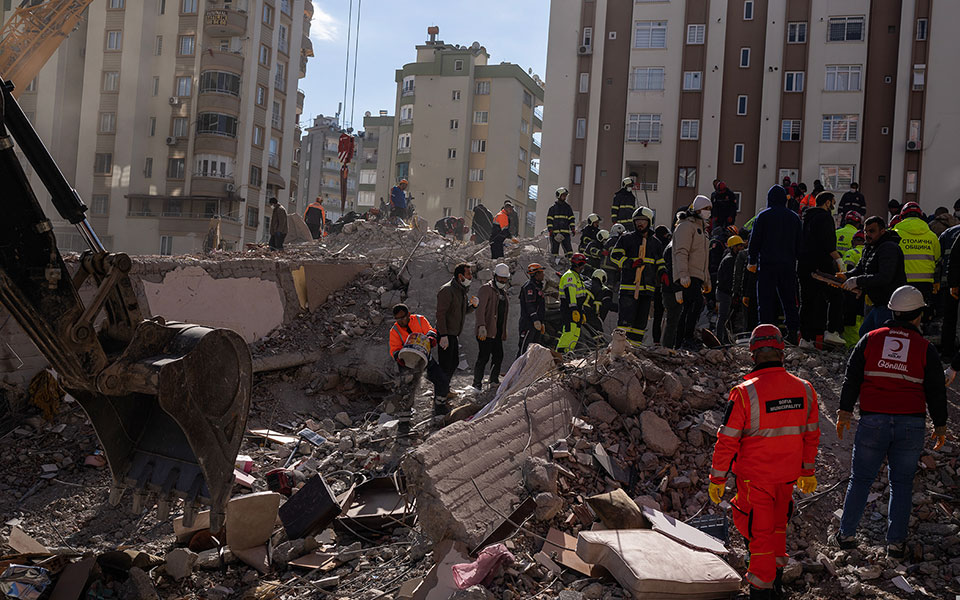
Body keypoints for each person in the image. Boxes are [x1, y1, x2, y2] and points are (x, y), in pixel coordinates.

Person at [834, 286, 947, 558]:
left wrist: (844, 411)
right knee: (902, 483)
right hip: (911, 425)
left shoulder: (871, 339)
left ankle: (846, 535)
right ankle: (895, 544)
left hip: (873, 421)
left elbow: (852, 378)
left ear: (892, 310)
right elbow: (936, 390)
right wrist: (941, 424)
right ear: (919, 315)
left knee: (860, 479)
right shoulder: (924, 348)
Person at [709, 324, 820, 598]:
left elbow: (727, 441)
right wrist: (807, 471)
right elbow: (811, 436)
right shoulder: (805, 390)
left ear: (753, 355)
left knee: (758, 534)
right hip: (787, 477)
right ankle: (776, 582)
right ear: (783, 354)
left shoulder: (744, 392)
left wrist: (717, 478)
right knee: (777, 528)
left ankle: (761, 590)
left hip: (755, 479)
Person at [748, 185, 802, 344]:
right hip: (788, 266)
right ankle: (792, 334)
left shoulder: (763, 216)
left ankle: (765, 335)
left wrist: (752, 260)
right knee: (789, 301)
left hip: (767, 265)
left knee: (765, 300)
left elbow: (754, 241)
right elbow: (800, 245)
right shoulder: (794, 218)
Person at [842, 216, 906, 335]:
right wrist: (845, 276)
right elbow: (860, 269)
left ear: (882, 231)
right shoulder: (869, 247)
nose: (867, 235)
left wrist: (857, 281)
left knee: (879, 336)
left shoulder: (889, 248)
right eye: (866, 231)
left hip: (889, 303)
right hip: (877, 302)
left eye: (872, 231)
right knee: (865, 333)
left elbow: (884, 277)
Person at [612, 206, 665, 347]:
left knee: (639, 326)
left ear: (649, 221)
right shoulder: (626, 239)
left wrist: (663, 273)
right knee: (624, 323)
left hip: (647, 290)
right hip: (629, 288)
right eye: (637, 221)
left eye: (643, 220)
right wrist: (630, 263)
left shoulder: (656, 243)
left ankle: (634, 353)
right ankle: (618, 352)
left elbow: (660, 262)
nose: (639, 223)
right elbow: (615, 256)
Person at [798, 192, 846, 348]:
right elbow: (828, 244)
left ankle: (806, 339)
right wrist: (839, 261)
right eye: (833, 202)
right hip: (821, 266)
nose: (833, 205)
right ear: (827, 203)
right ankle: (832, 331)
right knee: (836, 295)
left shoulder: (806, 218)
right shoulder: (825, 218)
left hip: (804, 265)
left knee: (807, 302)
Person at [389, 304, 451, 403]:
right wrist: (398, 358)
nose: (400, 321)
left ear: (408, 314)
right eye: (397, 319)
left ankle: (440, 402)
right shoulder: (395, 331)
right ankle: (406, 410)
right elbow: (394, 348)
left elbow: (430, 330)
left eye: (403, 317)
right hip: (408, 362)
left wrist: (431, 338)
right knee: (408, 388)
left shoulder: (419, 320)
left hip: (425, 356)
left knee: (441, 380)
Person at [673, 196, 712, 349]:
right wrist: (683, 274)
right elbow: (681, 251)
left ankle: (681, 341)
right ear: (697, 209)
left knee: (690, 307)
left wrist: (706, 279)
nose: (708, 212)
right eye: (705, 209)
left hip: (697, 275)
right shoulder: (686, 227)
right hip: (688, 274)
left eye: (709, 209)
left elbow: (704, 259)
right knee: (695, 303)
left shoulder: (702, 230)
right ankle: (686, 338)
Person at [893, 202, 940, 312]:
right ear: (920, 216)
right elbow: (937, 258)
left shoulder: (894, 234)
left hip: (902, 282)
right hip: (926, 284)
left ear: (902, 216)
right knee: (921, 314)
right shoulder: (932, 236)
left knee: (903, 314)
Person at [436, 263, 476, 380]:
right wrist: (443, 335)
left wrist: (473, 306)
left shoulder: (461, 290)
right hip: (446, 334)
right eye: (468, 274)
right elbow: (440, 314)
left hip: (453, 334)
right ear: (460, 276)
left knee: (453, 363)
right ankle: (440, 395)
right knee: (445, 365)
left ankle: (445, 389)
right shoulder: (447, 290)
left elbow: (461, 311)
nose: (471, 277)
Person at [474, 263, 511, 390]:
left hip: (497, 331)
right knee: (483, 357)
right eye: (500, 278)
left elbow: (503, 313)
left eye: (505, 279)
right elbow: (480, 309)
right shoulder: (486, 289)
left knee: (498, 355)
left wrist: (504, 330)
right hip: (486, 331)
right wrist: (481, 326)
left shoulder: (503, 293)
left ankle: (493, 380)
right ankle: (477, 383)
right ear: (495, 276)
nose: (502, 280)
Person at [716, 235, 746, 344]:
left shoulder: (734, 258)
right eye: (739, 246)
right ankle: (719, 340)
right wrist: (734, 293)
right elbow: (729, 279)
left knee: (725, 318)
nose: (742, 248)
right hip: (725, 292)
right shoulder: (730, 260)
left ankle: (724, 340)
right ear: (733, 247)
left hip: (725, 292)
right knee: (723, 317)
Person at [557, 253, 589, 353]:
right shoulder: (569, 276)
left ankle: (567, 355)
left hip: (576, 309)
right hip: (569, 309)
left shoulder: (577, 276)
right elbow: (570, 294)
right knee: (568, 332)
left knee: (575, 334)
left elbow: (579, 296)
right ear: (579, 264)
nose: (584, 266)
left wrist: (581, 311)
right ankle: (558, 356)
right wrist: (573, 309)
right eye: (583, 264)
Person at [518, 263, 546, 356]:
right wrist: (535, 320)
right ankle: (519, 370)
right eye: (541, 272)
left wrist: (541, 321)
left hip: (536, 324)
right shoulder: (529, 286)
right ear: (535, 274)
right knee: (524, 349)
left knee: (534, 350)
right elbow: (530, 305)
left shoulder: (538, 286)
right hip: (528, 323)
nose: (543, 274)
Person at [547, 187, 576, 264]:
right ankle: (554, 265)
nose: (565, 197)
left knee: (569, 251)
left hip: (565, 233)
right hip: (555, 233)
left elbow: (571, 219)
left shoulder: (568, 208)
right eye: (563, 195)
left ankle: (569, 265)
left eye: (565, 195)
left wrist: (573, 228)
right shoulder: (552, 209)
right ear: (558, 196)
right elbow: (549, 220)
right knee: (554, 251)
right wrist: (550, 230)